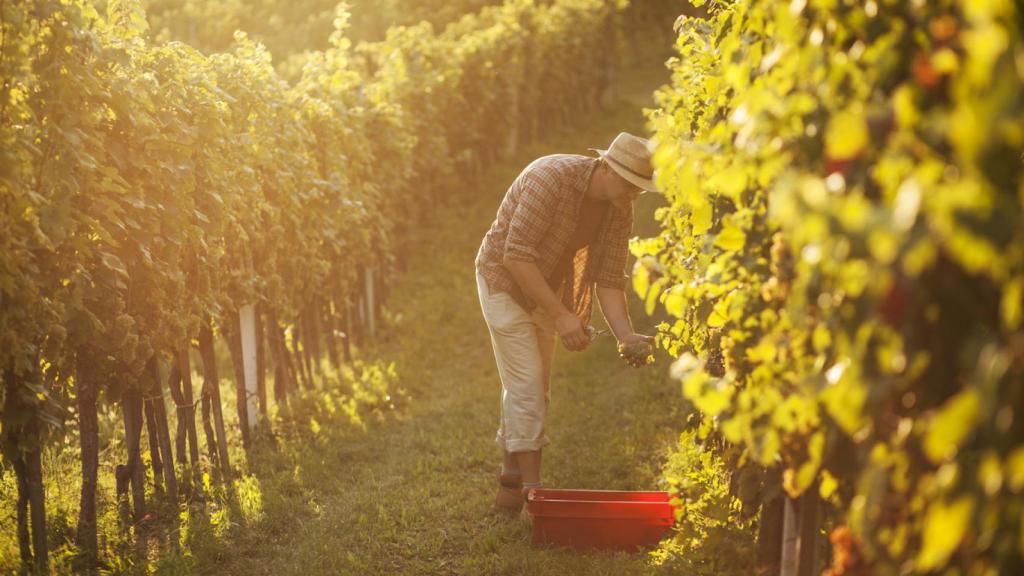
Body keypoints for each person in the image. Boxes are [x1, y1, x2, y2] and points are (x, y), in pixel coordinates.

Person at [474, 132, 657, 514]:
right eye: (628, 185)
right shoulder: (550, 180)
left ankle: (509, 483)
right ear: (606, 167)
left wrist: (625, 335)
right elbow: (516, 256)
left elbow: (608, 276)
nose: (632, 196)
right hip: (504, 282)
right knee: (527, 385)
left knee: (530, 383)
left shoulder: (619, 206)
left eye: (639, 190)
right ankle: (533, 496)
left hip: (546, 287)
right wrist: (560, 315)